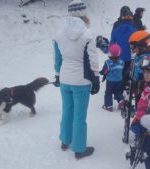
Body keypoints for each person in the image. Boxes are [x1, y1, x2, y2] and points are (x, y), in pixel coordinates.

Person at [53, 0, 100, 159]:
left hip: (65, 79)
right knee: (79, 116)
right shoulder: (87, 34)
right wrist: (96, 80)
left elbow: (57, 59)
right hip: (81, 81)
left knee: (67, 110)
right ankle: (79, 149)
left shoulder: (59, 34)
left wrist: (58, 75)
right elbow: (92, 60)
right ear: (83, 13)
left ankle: (65, 140)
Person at [128, 30, 150, 107]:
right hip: (138, 90)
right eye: (131, 47)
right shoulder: (138, 56)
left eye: (133, 47)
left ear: (141, 45)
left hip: (147, 92)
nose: (132, 50)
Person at [111, 8, 136, 92]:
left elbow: (112, 42)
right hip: (129, 56)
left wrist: (112, 54)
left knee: (119, 73)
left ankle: (116, 90)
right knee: (126, 73)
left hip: (118, 55)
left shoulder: (116, 30)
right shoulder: (134, 30)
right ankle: (121, 92)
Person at [100, 44, 125, 112]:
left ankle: (108, 106)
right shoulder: (121, 62)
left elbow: (105, 71)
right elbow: (122, 69)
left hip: (110, 81)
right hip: (119, 80)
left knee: (108, 92)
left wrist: (102, 72)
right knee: (117, 91)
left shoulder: (108, 63)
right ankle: (121, 102)